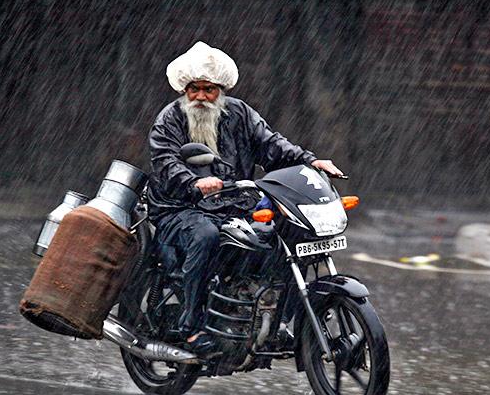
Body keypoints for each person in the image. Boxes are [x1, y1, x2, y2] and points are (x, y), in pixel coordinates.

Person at [147, 42, 343, 353]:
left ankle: (278, 321)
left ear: (220, 90)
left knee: (291, 230)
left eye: (208, 89)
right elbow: (166, 162)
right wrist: (194, 183)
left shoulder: (239, 113)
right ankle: (191, 327)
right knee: (206, 235)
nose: (200, 97)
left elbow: (272, 144)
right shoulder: (170, 119)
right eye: (194, 89)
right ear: (184, 89)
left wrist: (310, 161)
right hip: (179, 208)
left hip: (234, 205)